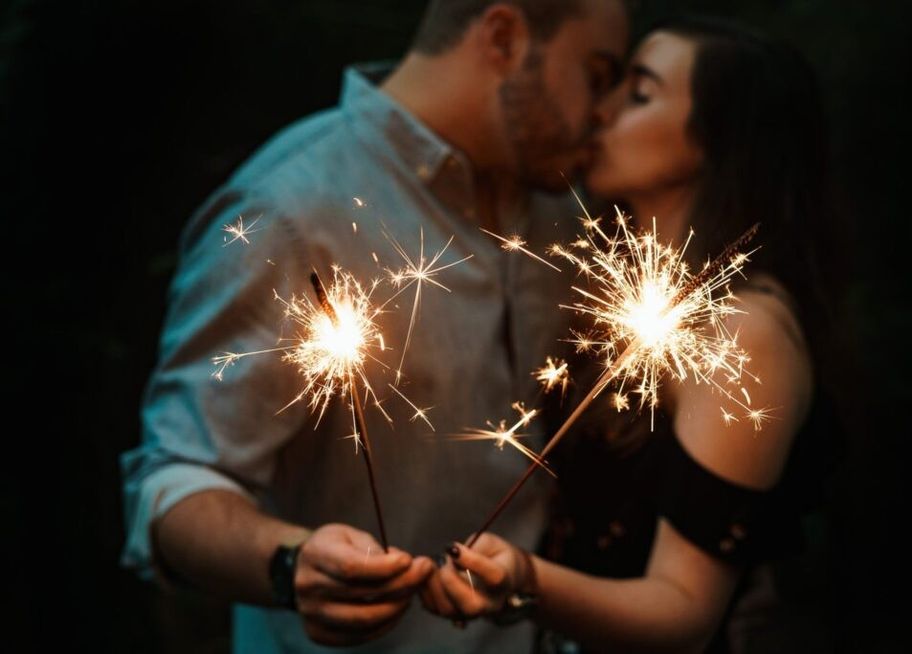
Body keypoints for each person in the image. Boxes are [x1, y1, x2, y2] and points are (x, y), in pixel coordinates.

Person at [120, 2, 629, 652]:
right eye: (597, 73)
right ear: (503, 36)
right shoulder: (290, 209)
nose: (604, 110)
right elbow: (172, 483)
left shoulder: (566, 211)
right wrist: (289, 562)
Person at [420, 15, 843, 653]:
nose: (599, 110)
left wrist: (526, 580)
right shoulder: (620, 279)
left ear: (718, 140)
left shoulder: (742, 331)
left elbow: (683, 614)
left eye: (638, 94)